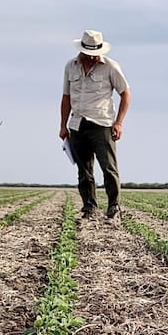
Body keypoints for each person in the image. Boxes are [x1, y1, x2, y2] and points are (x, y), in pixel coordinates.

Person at [59, 30, 131, 220]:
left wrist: (119, 123)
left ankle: (114, 207)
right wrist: (62, 125)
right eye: (88, 54)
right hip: (77, 124)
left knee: (108, 168)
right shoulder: (70, 66)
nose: (91, 58)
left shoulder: (110, 67)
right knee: (84, 170)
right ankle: (89, 207)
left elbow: (125, 94)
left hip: (102, 124)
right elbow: (66, 98)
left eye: (94, 54)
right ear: (82, 51)